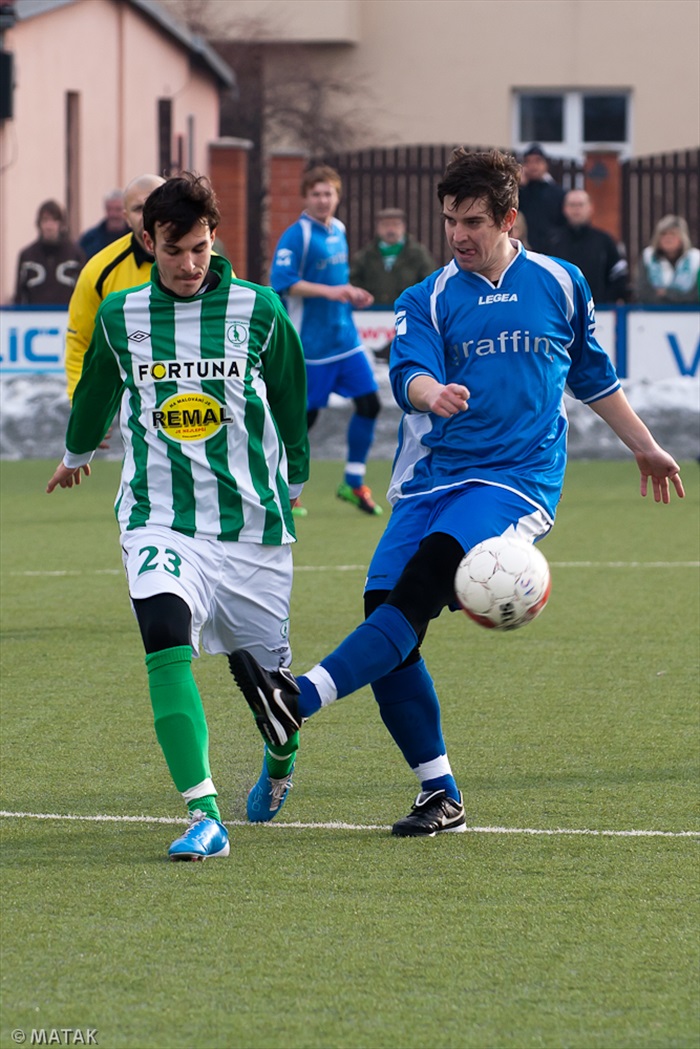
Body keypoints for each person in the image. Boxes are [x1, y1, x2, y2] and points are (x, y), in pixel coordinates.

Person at [230, 148, 685, 837]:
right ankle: (440, 792)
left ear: (508, 219)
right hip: (428, 480)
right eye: (449, 220)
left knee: (417, 589)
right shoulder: (430, 296)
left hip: (516, 479)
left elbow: (592, 375)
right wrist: (429, 391)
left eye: (472, 221)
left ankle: (296, 698)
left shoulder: (562, 283)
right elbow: (405, 373)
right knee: (386, 617)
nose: (458, 234)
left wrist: (644, 445)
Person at [46, 173, 310, 861]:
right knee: (164, 632)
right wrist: (76, 452)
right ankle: (203, 811)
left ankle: (279, 762)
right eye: (174, 250)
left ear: (214, 237)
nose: (190, 264)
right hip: (158, 515)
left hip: (252, 526)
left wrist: (299, 477)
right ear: (147, 242)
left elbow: (289, 396)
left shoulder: (259, 309)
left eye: (200, 247)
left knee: (274, 702)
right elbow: (97, 394)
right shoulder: (120, 316)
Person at [269, 164, 383, 517]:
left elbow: (338, 282)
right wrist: (334, 292)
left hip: (344, 340)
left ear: (338, 196)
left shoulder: (339, 231)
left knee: (370, 405)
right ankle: (286, 490)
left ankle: (352, 482)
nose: (322, 199)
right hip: (311, 346)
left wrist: (348, 295)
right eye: (316, 193)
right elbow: (282, 282)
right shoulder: (297, 235)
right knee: (304, 420)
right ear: (306, 197)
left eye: (328, 193)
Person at [65, 174, 165, 400]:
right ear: (126, 217)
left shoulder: (206, 265)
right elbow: (80, 340)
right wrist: (86, 404)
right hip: (124, 402)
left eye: (156, 205)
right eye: (139, 209)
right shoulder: (99, 270)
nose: (149, 215)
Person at [549, 189, 629, 304]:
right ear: (564, 209)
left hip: (599, 311)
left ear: (590, 208)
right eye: (572, 205)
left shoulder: (604, 241)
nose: (576, 209)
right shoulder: (552, 241)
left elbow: (618, 274)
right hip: (560, 309)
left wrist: (606, 301)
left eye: (580, 205)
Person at [350, 208, 436, 306]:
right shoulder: (365, 256)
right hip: (373, 315)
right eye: (385, 225)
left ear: (403, 227)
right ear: (378, 228)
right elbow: (353, 284)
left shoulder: (419, 255)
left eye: (395, 224)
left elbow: (430, 283)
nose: (391, 229)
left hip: (409, 312)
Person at [14, 200, 85, 306]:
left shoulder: (75, 255)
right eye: (45, 220)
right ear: (39, 224)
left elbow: (83, 291)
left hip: (68, 317)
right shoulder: (27, 256)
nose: (49, 226)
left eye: (54, 220)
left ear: (61, 224)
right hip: (34, 319)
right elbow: (19, 295)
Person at [635, 215, 700, 304]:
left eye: (673, 234)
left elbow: (695, 295)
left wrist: (667, 293)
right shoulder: (648, 257)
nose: (668, 238)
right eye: (663, 234)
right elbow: (642, 292)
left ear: (682, 238)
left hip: (688, 314)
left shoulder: (696, 258)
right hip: (653, 314)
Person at [517, 144, 565, 253]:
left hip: (550, 249)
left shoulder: (557, 193)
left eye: (537, 161)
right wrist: (519, 187)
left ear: (545, 164)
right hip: (524, 249)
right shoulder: (520, 191)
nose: (533, 166)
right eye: (528, 162)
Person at [79, 189, 129, 259]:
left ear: (126, 210)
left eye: (118, 209)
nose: (113, 214)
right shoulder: (89, 239)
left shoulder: (136, 237)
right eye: (109, 209)